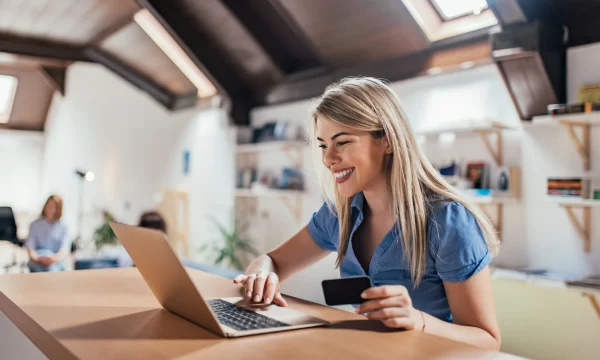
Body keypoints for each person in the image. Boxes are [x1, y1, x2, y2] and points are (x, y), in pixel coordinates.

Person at [233, 77, 502, 350]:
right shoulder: (338, 214)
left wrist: (416, 320)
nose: (328, 160)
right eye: (324, 145)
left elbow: (487, 340)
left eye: (343, 142)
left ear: (386, 141)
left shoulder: (447, 221)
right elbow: (271, 261)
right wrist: (262, 276)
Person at [26, 195, 71, 272]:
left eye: (54, 207)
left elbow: (64, 250)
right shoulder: (35, 225)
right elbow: (30, 248)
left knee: (52, 269)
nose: (50, 209)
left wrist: (53, 259)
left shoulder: (63, 227)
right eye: (49, 205)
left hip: (56, 263)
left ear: (58, 209)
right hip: (37, 262)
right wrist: (39, 259)